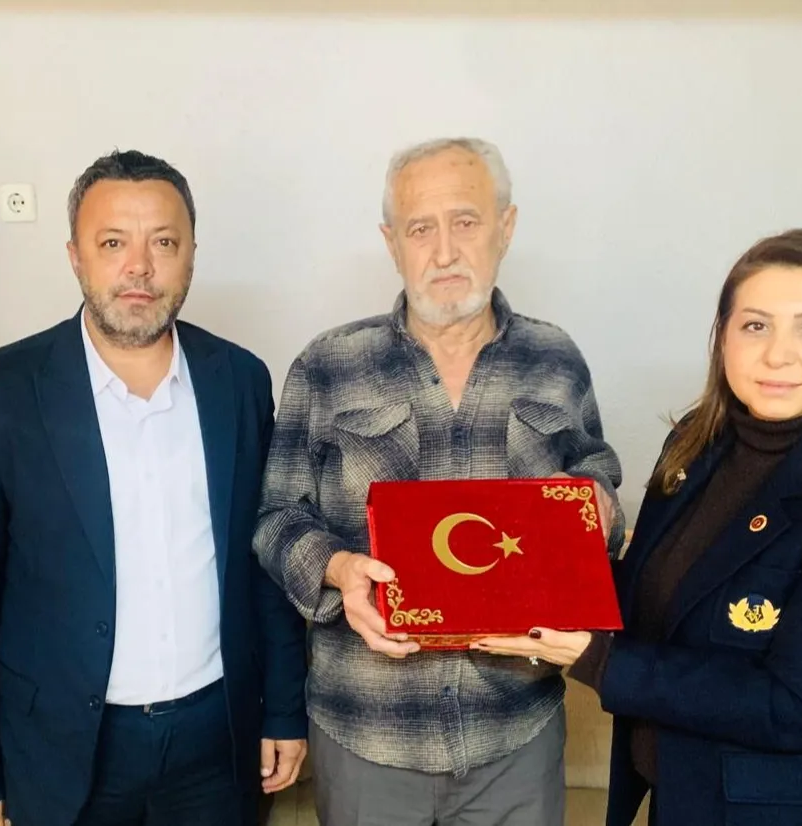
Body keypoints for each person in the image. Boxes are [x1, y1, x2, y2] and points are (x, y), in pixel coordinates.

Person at [477, 228, 802, 826]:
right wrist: (535, 566)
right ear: (723, 338)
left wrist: (599, 660)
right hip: (687, 795)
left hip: (793, 811)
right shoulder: (695, 447)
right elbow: (663, 599)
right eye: (755, 325)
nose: (778, 354)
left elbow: (798, 707)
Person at [0, 149, 310, 826]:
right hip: (58, 746)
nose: (139, 266)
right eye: (112, 243)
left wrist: (283, 709)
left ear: (191, 256)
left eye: (163, 243)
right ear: (75, 256)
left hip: (216, 741)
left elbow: (264, 560)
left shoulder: (239, 380)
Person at [252, 136, 625, 826]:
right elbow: (276, 517)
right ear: (391, 243)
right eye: (420, 228)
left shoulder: (555, 358)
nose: (444, 251)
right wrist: (337, 568)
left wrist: (600, 509)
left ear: (505, 228)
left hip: (514, 727)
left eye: (466, 221)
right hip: (366, 729)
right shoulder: (328, 365)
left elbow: (595, 470)